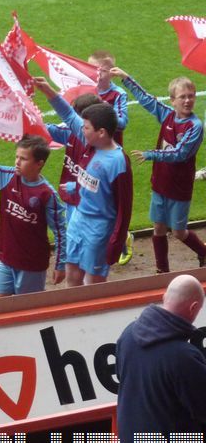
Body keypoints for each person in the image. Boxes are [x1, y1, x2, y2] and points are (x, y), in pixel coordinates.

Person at [35, 77, 132, 286]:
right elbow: (69, 115)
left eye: (86, 127)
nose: (81, 131)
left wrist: (115, 243)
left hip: (99, 228)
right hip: (78, 220)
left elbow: (125, 208)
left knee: (94, 283)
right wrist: (47, 90)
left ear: (102, 132)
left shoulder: (118, 162)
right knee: (72, 274)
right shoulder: (91, 139)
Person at [116, 274, 206, 443]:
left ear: (164, 296)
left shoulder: (128, 334)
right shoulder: (183, 356)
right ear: (194, 307)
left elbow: (122, 378)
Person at [111, 69, 206, 272]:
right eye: (183, 97)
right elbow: (147, 101)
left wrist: (151, 154)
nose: (188, 101)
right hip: (160, 183)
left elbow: (180, 154)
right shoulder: (168, 115)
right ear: (173, 100)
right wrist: (127, 78)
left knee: (179, 232)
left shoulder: (195, 126)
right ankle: (162, 270)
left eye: (191, 96)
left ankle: (204, 252)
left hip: (180, 188)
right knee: (158, 228)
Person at [0, 135, 66, 296]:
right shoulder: (7, 176)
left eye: (23, 159)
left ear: (39, 164)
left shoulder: (47, 194)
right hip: (7, 258)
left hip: (31, 264)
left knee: (27, 311)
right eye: (17, 157)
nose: (17, 162)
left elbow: (60, 232)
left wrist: (60, 264)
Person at [88, 50, 134, 265]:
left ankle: (123, 240)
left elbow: (123, 122)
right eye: (92, 69)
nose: (96, 74)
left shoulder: (117, 95)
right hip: (92, 155)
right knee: (97, 199)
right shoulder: (86, 90)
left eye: (102, 70)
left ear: (111, 73)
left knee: (113, 202)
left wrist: (102, 110)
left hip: (112, 159)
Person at [47, 93, 100, 225]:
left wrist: (76, 186)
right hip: (72, 198)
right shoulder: (70, 132)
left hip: (91, 201)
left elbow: (102, 182)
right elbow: (46, 130)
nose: (72, 121)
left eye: (76, 115)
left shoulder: (99, 145)